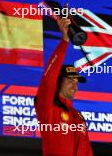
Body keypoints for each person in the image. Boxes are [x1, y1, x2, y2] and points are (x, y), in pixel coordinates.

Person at [34, 17, 93, 156]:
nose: (75, 85)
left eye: (77, 82)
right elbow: (49, 78)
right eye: (70, 80)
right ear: (58, 81)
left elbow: (86, 150)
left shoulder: (77, 116)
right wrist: (64, 41)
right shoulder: (47, 107)